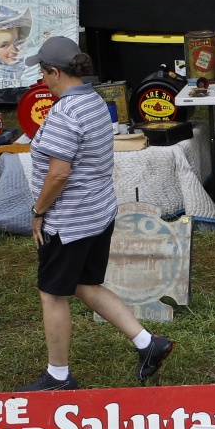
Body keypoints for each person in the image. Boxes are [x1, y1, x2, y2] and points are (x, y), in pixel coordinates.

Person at [24, 36, 175, 390]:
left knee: (52, 294)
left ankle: (58, 376)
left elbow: (59, 174)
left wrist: (38, 210)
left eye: (43, 72)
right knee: (85, 284)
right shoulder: (93, 100)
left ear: (55, 72)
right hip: (98, 213)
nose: (41, 78)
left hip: (69, 221)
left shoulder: (64, 113)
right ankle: (148, 343)